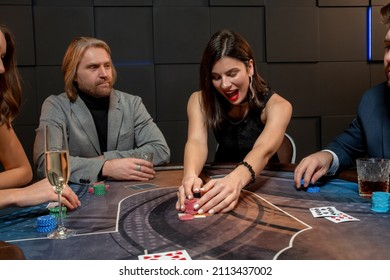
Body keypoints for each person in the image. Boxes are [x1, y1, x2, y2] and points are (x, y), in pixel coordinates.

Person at [176, 29, 292, 214]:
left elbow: (262, 150)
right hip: (218, 178)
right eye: (216, 77)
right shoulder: (199, 100)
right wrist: (189, 176)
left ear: (250, 67)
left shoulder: (279, 106)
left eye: (232, 73)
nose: (225, 85)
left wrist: (235, 180)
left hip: (263, 182)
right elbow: (196, 142)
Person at [33, 37, 170, 184]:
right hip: (79, 198)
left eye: (107, 65)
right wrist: (105, 167)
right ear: (73, 75)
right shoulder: (56, 106)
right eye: (93, 67)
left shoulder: (132, 103)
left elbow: (160, 150)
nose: (104, 74)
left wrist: (106, 159)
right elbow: (46, 163)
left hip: (125, 194)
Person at [294, 2, 390, 188]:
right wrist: (327, 156)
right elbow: (346, 146)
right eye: (387, 46)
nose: (388, 58)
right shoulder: (372, 101)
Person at [0, 25, 80, 209]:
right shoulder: (56, 104)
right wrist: (17, 195)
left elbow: (22, 171)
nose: (2, 69)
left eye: (3, 57)